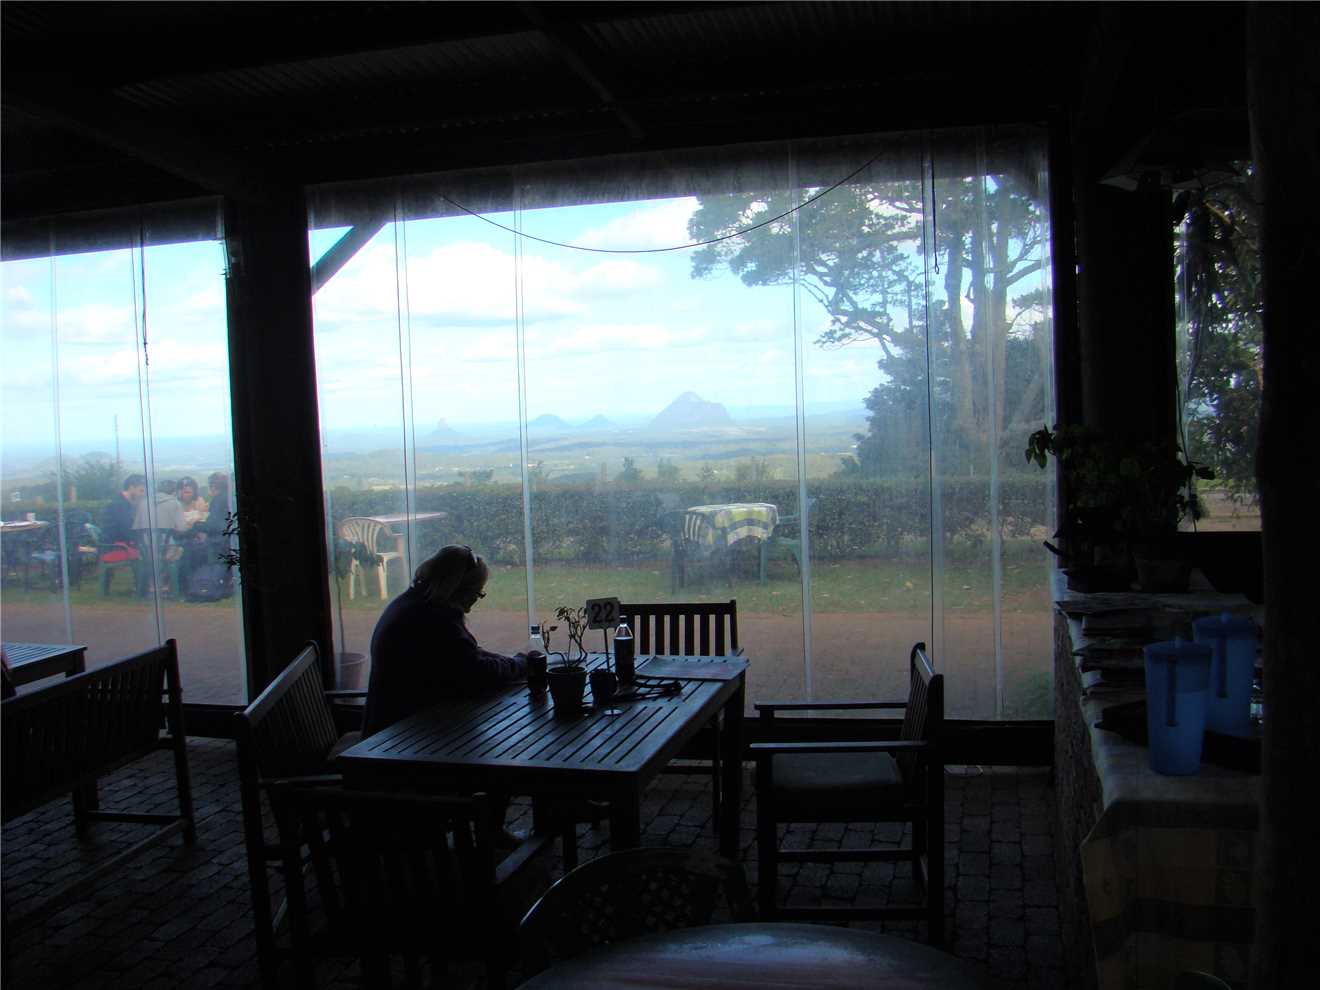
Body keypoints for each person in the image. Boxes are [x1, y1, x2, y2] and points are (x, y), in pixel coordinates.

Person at [363, 544, 526, 736]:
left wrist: (510, 661)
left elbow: (463, 656)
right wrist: (519, 664)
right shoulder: (436, 619)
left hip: (391, 727)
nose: (476, 600)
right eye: (477, 593)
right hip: (404, 737)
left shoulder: (412, 604)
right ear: (460, 589)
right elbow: (476, 673)